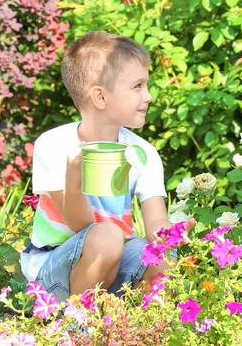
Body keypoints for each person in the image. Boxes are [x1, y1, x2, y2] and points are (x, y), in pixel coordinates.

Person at [21, 31, 194, 302]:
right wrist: (74, 179)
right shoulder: (54, 144)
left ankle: (131, 325)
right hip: (55, 274)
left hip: (114, 267)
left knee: (159, 256)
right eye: (137, 86)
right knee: (107, 236)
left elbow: (155, 220)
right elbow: (80, 224)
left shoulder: (142, 153)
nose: (148, 96)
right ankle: (74, 322)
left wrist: (169, 234)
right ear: (100, 97)